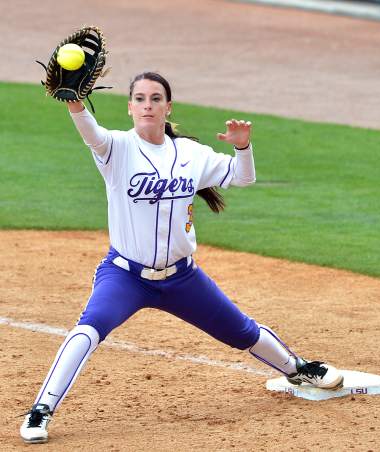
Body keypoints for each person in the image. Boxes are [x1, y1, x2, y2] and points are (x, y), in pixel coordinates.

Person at [20, 72, 343, 444]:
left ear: (167, 107)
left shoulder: (190, 155)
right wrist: (75, 102)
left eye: (155, 99)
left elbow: (243, 178)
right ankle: (40, 411)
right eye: (139, 99)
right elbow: (90, 132)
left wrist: (243, 147)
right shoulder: (116, 148)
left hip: (182, 280)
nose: (147, 105)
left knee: (241, 331)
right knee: (88, 330)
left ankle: (298, 369)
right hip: (126, 277)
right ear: (129, 107)